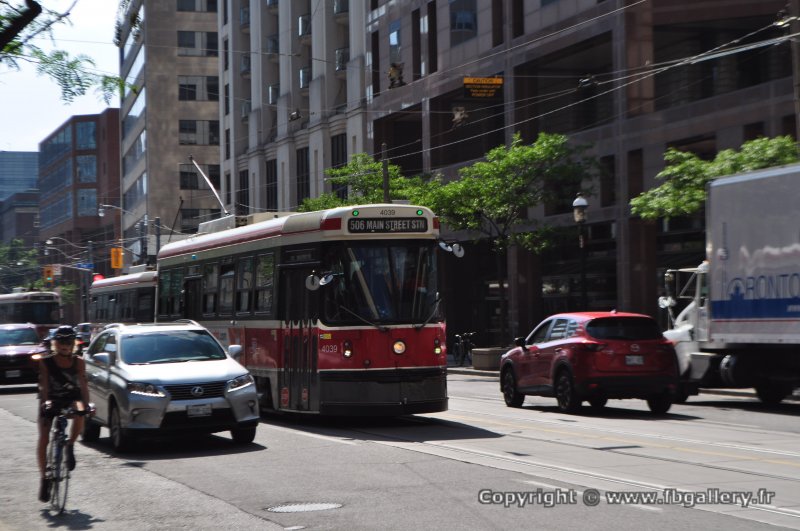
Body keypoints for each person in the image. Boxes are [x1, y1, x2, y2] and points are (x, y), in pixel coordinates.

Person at [36, 325, 93, 502]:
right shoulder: (46, 362)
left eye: (69, 342)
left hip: (71, 398)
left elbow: (83, 385)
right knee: (44, 437)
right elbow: (44, 386)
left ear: (73, 344)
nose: (65, 345)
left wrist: (87, 404)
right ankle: (44, 478)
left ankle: (70, 444)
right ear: (55, 343)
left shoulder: (79, 362)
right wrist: (46, 402)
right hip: (51, 398)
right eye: (61, 341)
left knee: (81, 410)